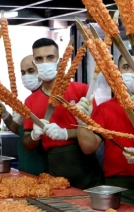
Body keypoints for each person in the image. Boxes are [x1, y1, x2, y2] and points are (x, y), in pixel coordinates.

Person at [76, 53, 134, 211]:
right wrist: (83, 120)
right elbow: (88, 147)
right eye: (126, 67)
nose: (132, 73)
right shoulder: (105, 109)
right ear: (119, 74)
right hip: (118, 186)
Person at [22, 38, 103, 189]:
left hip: (87, 167)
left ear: (59, 61)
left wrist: (66, 133)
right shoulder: (30, 101)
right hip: (55, 168)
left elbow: (98, 133)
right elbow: (27, 144)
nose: (45, 62)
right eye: (39, 59)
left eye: (50, 57)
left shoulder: (82, 91)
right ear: (34, 63)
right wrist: (34, 135)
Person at [0, 55, 48, 175]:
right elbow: (20, 130)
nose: (26, 76)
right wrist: (5, 114)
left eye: (31, 71)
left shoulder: (49, 100)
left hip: (43, 166)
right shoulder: (28, 100)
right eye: (23, 72)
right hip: (27, 164)